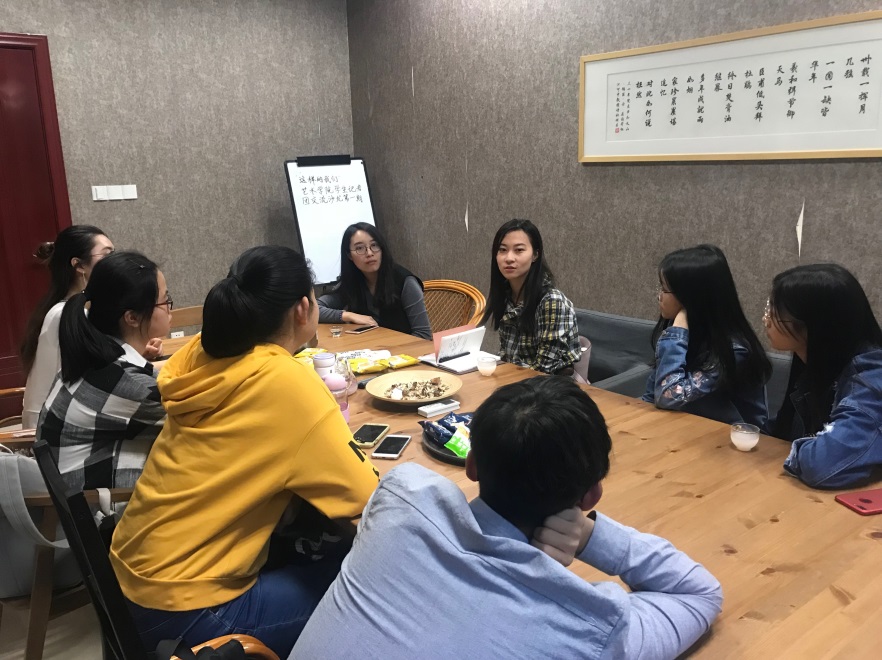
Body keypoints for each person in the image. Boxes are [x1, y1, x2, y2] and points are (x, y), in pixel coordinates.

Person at [292, 376, 722, 659]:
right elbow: (699, 593)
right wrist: (590, 535)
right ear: (591, 495)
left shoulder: (399, 498)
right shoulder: (592, 626)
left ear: (471, 465)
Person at [110, 246, 381, 658]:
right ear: (303, 308)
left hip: (132, 574)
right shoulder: (285, 381)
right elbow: (365, 496)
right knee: (373, 582)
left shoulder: (202, 352)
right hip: (192, 612)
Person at [36, 251, 170, 491]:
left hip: (71, 485)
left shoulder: (96, 354)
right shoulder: (130, 384)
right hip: (92, 505)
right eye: (164, 300)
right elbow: (194, 414)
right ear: (132, 317)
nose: (169, 308)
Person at [765, 264, 882, 489]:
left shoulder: (871, 378)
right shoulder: (815, 358)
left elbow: (821, 464)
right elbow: (783, 432)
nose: (766, 319)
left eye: (775, 312)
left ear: (814, 324)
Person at [641, 245, 771, 427]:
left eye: (664, 289)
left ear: (690, 298)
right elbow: (651, 396)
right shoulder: (685, 332)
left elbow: (668, 396)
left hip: (734, 439)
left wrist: (676, 336)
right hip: (687, 430)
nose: (659, 296)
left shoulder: (734, 350)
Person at [20, 226, 115, 428]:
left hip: (58, 417)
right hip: (48, 427)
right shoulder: (66, 315)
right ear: (79, 265)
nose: (114, 262)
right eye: (106, 255)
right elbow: (102, 373)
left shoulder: (68, 309)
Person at [481, 219, 580, 375]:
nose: (509, 258)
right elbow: (507, 356)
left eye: (519, 250)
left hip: (547, 385)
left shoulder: (552, 301)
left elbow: (544, 369)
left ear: (535, 255)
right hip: (514, 379)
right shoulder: (507, 295)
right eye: (502, 250)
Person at [318, 222, 431, 339]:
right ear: (349, 255)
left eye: (374, 245)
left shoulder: (405, 282)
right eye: (359, 248)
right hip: (368, 347)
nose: (369, 253)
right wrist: (348, 315)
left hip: (403, 349)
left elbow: (424, 335)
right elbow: (315, 310)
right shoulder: (351, 281)